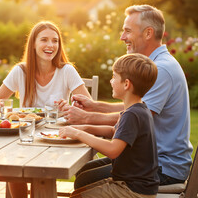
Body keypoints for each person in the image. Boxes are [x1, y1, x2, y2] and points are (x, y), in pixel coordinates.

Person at [63, 5, 193, 185]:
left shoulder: (161, 69)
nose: (122, 37)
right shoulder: (154, 65)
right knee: (85, 171)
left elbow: (137, 116)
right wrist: (95, 106)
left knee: (86, 180)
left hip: (162, 166)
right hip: (147, 158)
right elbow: (137, 106)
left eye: (127, 31)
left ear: (148, 33)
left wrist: (87, 118)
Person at [0, 21, 91, 198]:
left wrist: (72, 107)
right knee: (12, 163)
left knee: (41, 170)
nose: (50, 45)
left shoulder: (66, 71)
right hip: (25, 136)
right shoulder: (21, 71)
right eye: (44, 40)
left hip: (57, 137)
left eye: (55, 41)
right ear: (33, 44)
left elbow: (89, 105)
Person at [60, 53, 159, 198]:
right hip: (133, 185)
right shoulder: (138, 109)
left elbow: (113, 150)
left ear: (126, 84)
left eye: (114, 77)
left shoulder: (132, 114)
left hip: (133, 190)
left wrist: (79, 134)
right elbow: (114, 131)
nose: (111, 81)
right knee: (77, 194)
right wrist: (84, 128)